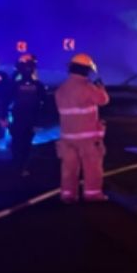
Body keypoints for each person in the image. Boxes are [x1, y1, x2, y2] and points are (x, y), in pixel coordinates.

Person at [54, 53, 109, 203]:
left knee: (68, 169)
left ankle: (68, 195)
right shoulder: (88, 88)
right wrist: (100, 88)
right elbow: (103, 100)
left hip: (67, 138)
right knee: (92, 168)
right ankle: (93, 194)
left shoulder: (61, 90)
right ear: (87, 71)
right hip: (88, 138)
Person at [8, 53, 46, 176]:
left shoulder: (16, 84)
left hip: (19, 118)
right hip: (29, 119)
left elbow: (7, 99)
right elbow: (43, 102)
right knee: (25, 144)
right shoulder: (37, 85)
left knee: (17, 143)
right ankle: (22, 167)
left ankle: (16, 166)